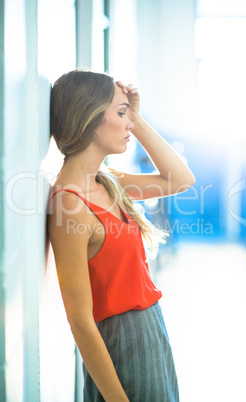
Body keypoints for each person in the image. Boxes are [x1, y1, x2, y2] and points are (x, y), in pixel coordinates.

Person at [47, 69, 195, 402]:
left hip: (151, 327)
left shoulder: (106, 181)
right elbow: (81, 323)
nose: (128, 124)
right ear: (89, 118)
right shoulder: (69, 203)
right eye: (120, 113)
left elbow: (181, 179)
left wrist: (138, 119)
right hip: (121, 341)